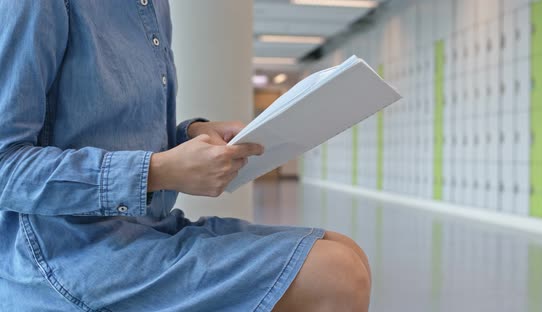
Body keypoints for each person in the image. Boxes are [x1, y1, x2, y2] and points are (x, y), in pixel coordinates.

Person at [0, 1, 371, 311]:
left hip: (145, 229)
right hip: (64, 252)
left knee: (345, 251)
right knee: (335, 274)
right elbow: (6, 165)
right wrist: (158, 172)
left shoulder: (152, 6)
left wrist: (190, 135)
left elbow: (114, 131)